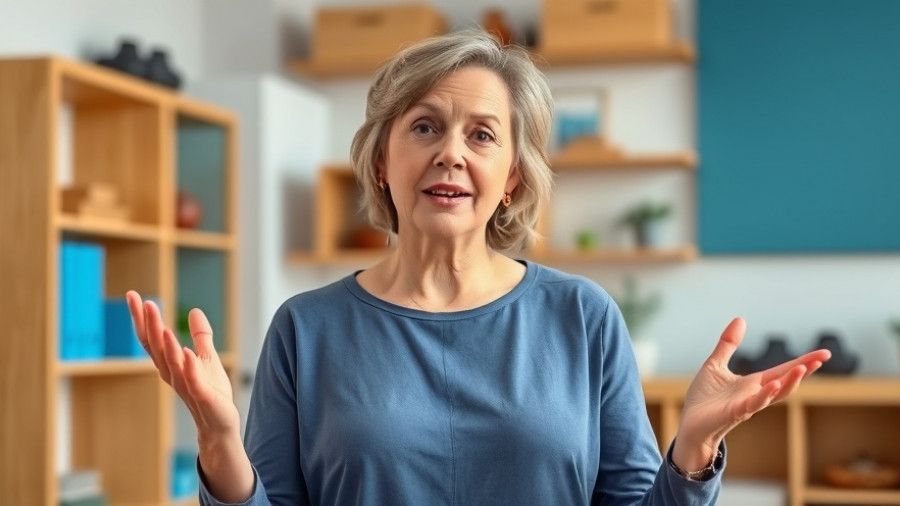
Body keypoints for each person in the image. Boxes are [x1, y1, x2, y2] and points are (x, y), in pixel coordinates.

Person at [126, 30, 830, 505]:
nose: (451, 153)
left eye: (482, 135)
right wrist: (219, 440)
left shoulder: (583, 317)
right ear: (382, 159)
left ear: (513, 177)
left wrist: (694, 450)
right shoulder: (305, 329)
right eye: (424, 126)